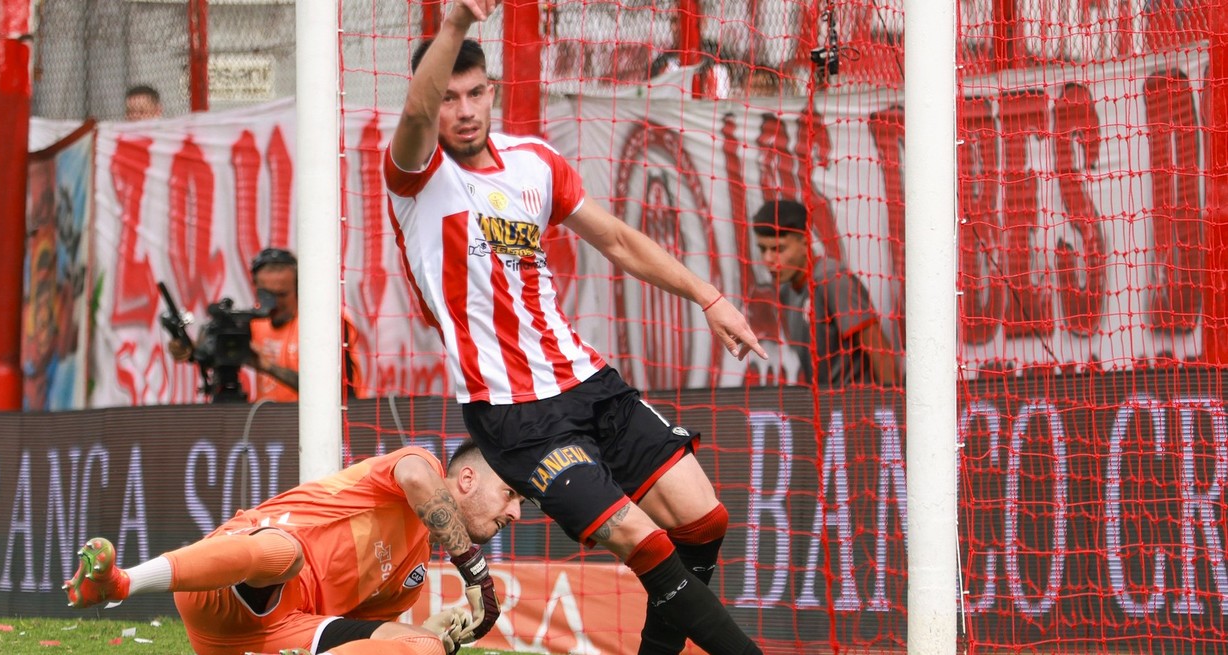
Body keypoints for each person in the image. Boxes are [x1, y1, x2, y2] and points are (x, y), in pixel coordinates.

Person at [384, 2, 766, 653]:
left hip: (585, 380)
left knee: (704, 518)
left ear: (493, 91)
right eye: (449, 97)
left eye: (476, 93)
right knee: (643, 540)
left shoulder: (533, 163)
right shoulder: (417, 175)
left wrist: (709, 296)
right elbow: (417, 118)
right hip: (512, 413)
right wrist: (455, 26)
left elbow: (615, 239)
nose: (465, 109)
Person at [63, 440, 521, 655]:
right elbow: (418, 481)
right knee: (286, 555)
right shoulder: (421, 465)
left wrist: (434, 630)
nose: (516, 514)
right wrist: (475, 573)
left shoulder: (413, 572)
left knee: (422, 649)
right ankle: (120, 583)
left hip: (277, 637)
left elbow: (355, 634)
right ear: (466, 479)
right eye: (511, 495)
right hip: (227, 587)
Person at [169, 247, 366, 402]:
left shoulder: (326, 322)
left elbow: (336, 394)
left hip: (320, 429)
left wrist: (267, 366)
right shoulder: (254, 322)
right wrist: (188, 349)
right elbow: (213, 352)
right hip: (270, 429)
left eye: (282, 295)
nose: (274, 303)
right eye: (267, 295)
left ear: (299, 288)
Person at [751, 198, 898, 387]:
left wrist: (895, 412)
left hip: (856, 407)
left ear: (805, 242)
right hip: (826, 406)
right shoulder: (786, 290)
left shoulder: (833, 279)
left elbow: (879, 351)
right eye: (762, 249)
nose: (768, 259)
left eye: (778, 249)